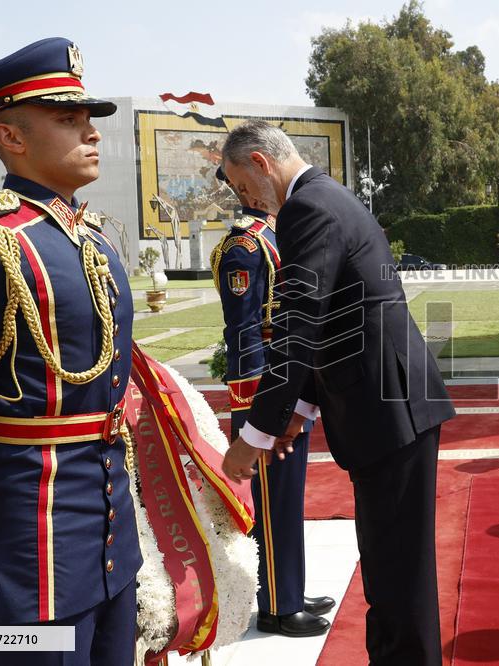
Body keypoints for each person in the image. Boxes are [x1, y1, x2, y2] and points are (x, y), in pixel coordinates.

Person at [0, 38, 140, 664]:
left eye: (88, 119)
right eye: (68, 120)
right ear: (11, 138)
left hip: (110, 529)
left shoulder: (94, 238)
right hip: (28, 544)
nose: (92, 134)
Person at [218, 120, 456, 665]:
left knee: (396, 570)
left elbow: (299, 323)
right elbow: (330, 321)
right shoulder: (328, 196)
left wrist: (254, 435)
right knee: (390, 562)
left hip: (386, 407)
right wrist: (299, 409)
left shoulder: (308, 208)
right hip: (390, 402)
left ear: (260, 162)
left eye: (239, 184)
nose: (244, 199)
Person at [212, 166, 334, 637]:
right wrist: (253, 400)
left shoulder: (277, 235)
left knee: (287, 498)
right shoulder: (245, 246)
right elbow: (242, 332)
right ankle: (277, 607)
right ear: (244, 187)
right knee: (272, 500)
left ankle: (290, 589)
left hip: (286, 384)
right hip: (263, 390)